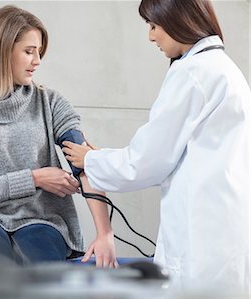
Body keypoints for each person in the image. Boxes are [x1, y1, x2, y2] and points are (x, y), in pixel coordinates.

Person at [63, 0, 250, 291]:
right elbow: (175, 155)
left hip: (199, 238)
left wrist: (90, 160)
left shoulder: (192, 73)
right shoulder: (225, 69)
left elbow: (146, 161)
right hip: (223, 230)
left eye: (153, 26)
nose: (151, 36)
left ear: (177, 20)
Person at [0, 5, 117, 268]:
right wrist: (34, 178)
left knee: (38, 275)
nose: (37, 61)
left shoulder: (50, 103)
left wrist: (104, 233)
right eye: (29, 51)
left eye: (39, 52)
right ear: (2, 50)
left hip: (42, 221)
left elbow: (83, 166)